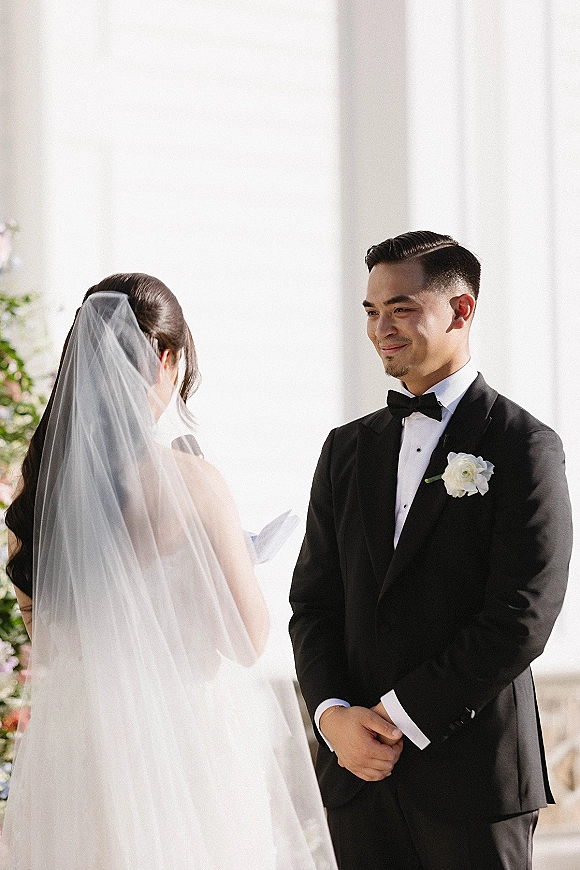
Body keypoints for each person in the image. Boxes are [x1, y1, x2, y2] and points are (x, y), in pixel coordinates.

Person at [2, 274, 337, 870]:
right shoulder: (194, 483)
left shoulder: (42, 489)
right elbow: (246, 638)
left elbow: (49, 644)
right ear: (167, 357)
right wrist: (225, 557)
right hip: (185, 741)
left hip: (80, 748)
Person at [289, 231, 572, 870]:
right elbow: (312, 601)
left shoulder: (524, 445)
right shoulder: (345, 449)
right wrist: (333, 717)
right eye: (370, 311)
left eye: (402, 308)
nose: (381, 328)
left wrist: (397, 716)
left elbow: (522, 616)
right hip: (358, 782)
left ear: (461, 310)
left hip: (472, 779)